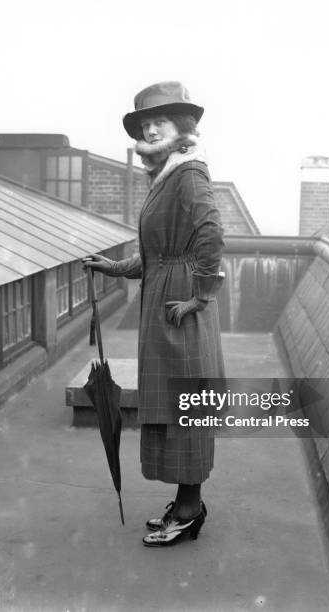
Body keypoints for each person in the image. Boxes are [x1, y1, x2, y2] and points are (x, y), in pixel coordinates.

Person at [83, 81, 225, 547]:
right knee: (173, 405)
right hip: (166, 301)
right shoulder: (166, 178)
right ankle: (188, 501)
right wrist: (115, 268)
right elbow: (156, 254)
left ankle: (188, 512)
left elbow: (211, 236)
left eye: (157, 122)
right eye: (144, 124)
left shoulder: (189, 174)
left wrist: (200, 298)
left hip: (179, 307)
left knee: (185, 407)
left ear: (181, 128)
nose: (148, 129)